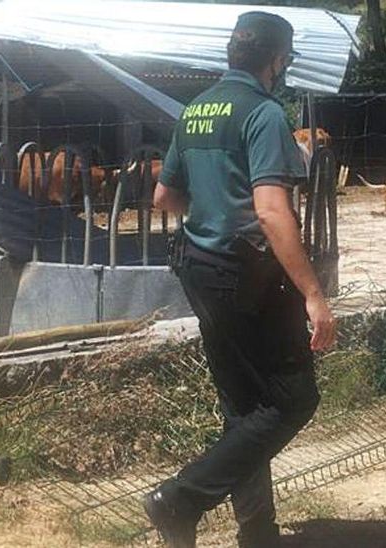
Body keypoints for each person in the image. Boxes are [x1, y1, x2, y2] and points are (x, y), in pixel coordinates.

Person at [144, 11, 337, 548]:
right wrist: (314, 294)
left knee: (244, 407)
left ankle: (259, 533)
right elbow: (273, 213)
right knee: (291, 400)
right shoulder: (263, 112)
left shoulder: (196, 109)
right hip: (248, 277)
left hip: (199, 271)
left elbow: (165, 196)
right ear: (276, 59)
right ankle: (180, 500)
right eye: (287, 58)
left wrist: (213, 206)